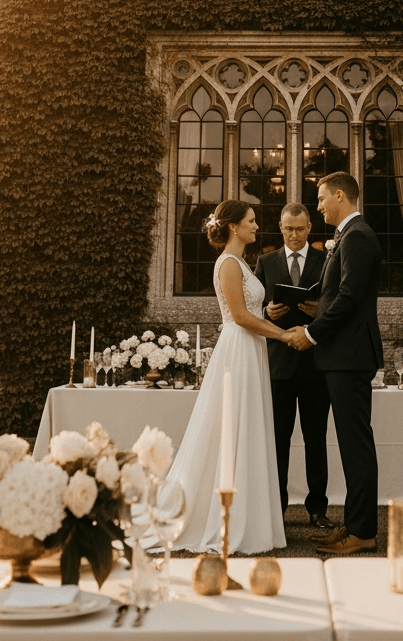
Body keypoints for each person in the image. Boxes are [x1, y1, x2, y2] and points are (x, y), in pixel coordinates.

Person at [163, 200, 292, 553]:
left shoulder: (242, 263)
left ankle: (251, 517)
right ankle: (225, 517)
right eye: (251, 221)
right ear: (234, 226)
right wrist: (281, 334)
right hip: (239, 347)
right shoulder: (229, 264)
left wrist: (268, 311)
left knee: (248, 425)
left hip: (251, 348)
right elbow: (238, 316)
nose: (256, 226)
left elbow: (250, 310)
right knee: (232, 425)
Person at [287, 172, 382, 555]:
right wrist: (317, 304)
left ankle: (363, 533)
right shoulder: (348, 235)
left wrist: (311, 333)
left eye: (322, 198)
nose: (320, 204)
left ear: (340, 196)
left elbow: (349, 298)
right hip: (342, 355)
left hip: (349, 355)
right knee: (349, 444)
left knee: (356, 446)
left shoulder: (356, 236)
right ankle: (355, 525)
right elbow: (338, 295)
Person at [254, 202, 333, 529]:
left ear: (310, 227)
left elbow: (336, 304)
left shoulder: (325, 260)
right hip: (279, 367)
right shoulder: (266, 262)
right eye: (289, 229)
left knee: (316, 439)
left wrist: (320, 312)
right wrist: (266, 314)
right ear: (280, 227)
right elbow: (249, 309)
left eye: (300, 229)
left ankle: (318, 509)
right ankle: (277, 510)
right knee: (278, 441)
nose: (295, 235)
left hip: (316, 365)